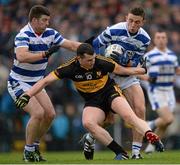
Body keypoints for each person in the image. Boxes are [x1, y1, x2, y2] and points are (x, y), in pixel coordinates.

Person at [15, 43, 164, 160]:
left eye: (93, 59)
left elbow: (122, 70)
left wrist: (142, 71)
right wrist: (27, 94)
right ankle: (120, 152)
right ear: (79, 59)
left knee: (129, 116)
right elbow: (45, 81)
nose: (93, 62)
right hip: (93, 101)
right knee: (88, 123)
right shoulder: (69, 68)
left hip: (110, 93)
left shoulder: (100, 61)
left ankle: (152, 137)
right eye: (89, 60)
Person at [7, 5, 81, 162]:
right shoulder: (23, 34)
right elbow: (21, 56)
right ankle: (28, 152)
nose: (48, 23)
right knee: (38, 113)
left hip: (37, 82)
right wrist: (45, 54)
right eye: (44, 20)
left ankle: (33, 146)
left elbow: (72, 45)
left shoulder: (51, 34)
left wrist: (89, 48)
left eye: (48, 20)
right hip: (19, 82)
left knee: (50, 115)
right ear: (34, 20)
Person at [82, 6, 151, 159]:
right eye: (131, 21)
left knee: (140, 109)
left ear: (143, 22)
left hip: (126, 75)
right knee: (108, 120)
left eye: (137, 22)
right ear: (126, 17)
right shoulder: (113, 30)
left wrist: (122, 61)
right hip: (108, 77)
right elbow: (92, 47)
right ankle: (91, 137)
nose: (133, 25)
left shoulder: (145, 39)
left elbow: (134, 63)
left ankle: (135, 153)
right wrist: (106, 59)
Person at [138, 31, 180, 153]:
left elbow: (176, 71)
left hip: (169, 91)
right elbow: (139, 72)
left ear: (166, 40)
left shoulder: (172, 55)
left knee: (165, 123)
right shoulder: (149, 56)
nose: (161, 39)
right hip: (156, 90)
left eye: (163, 37)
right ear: (155, 40)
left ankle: (151, 148)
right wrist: (147, 78)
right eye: (158, 37)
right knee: (168, 119)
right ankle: (149, 124)